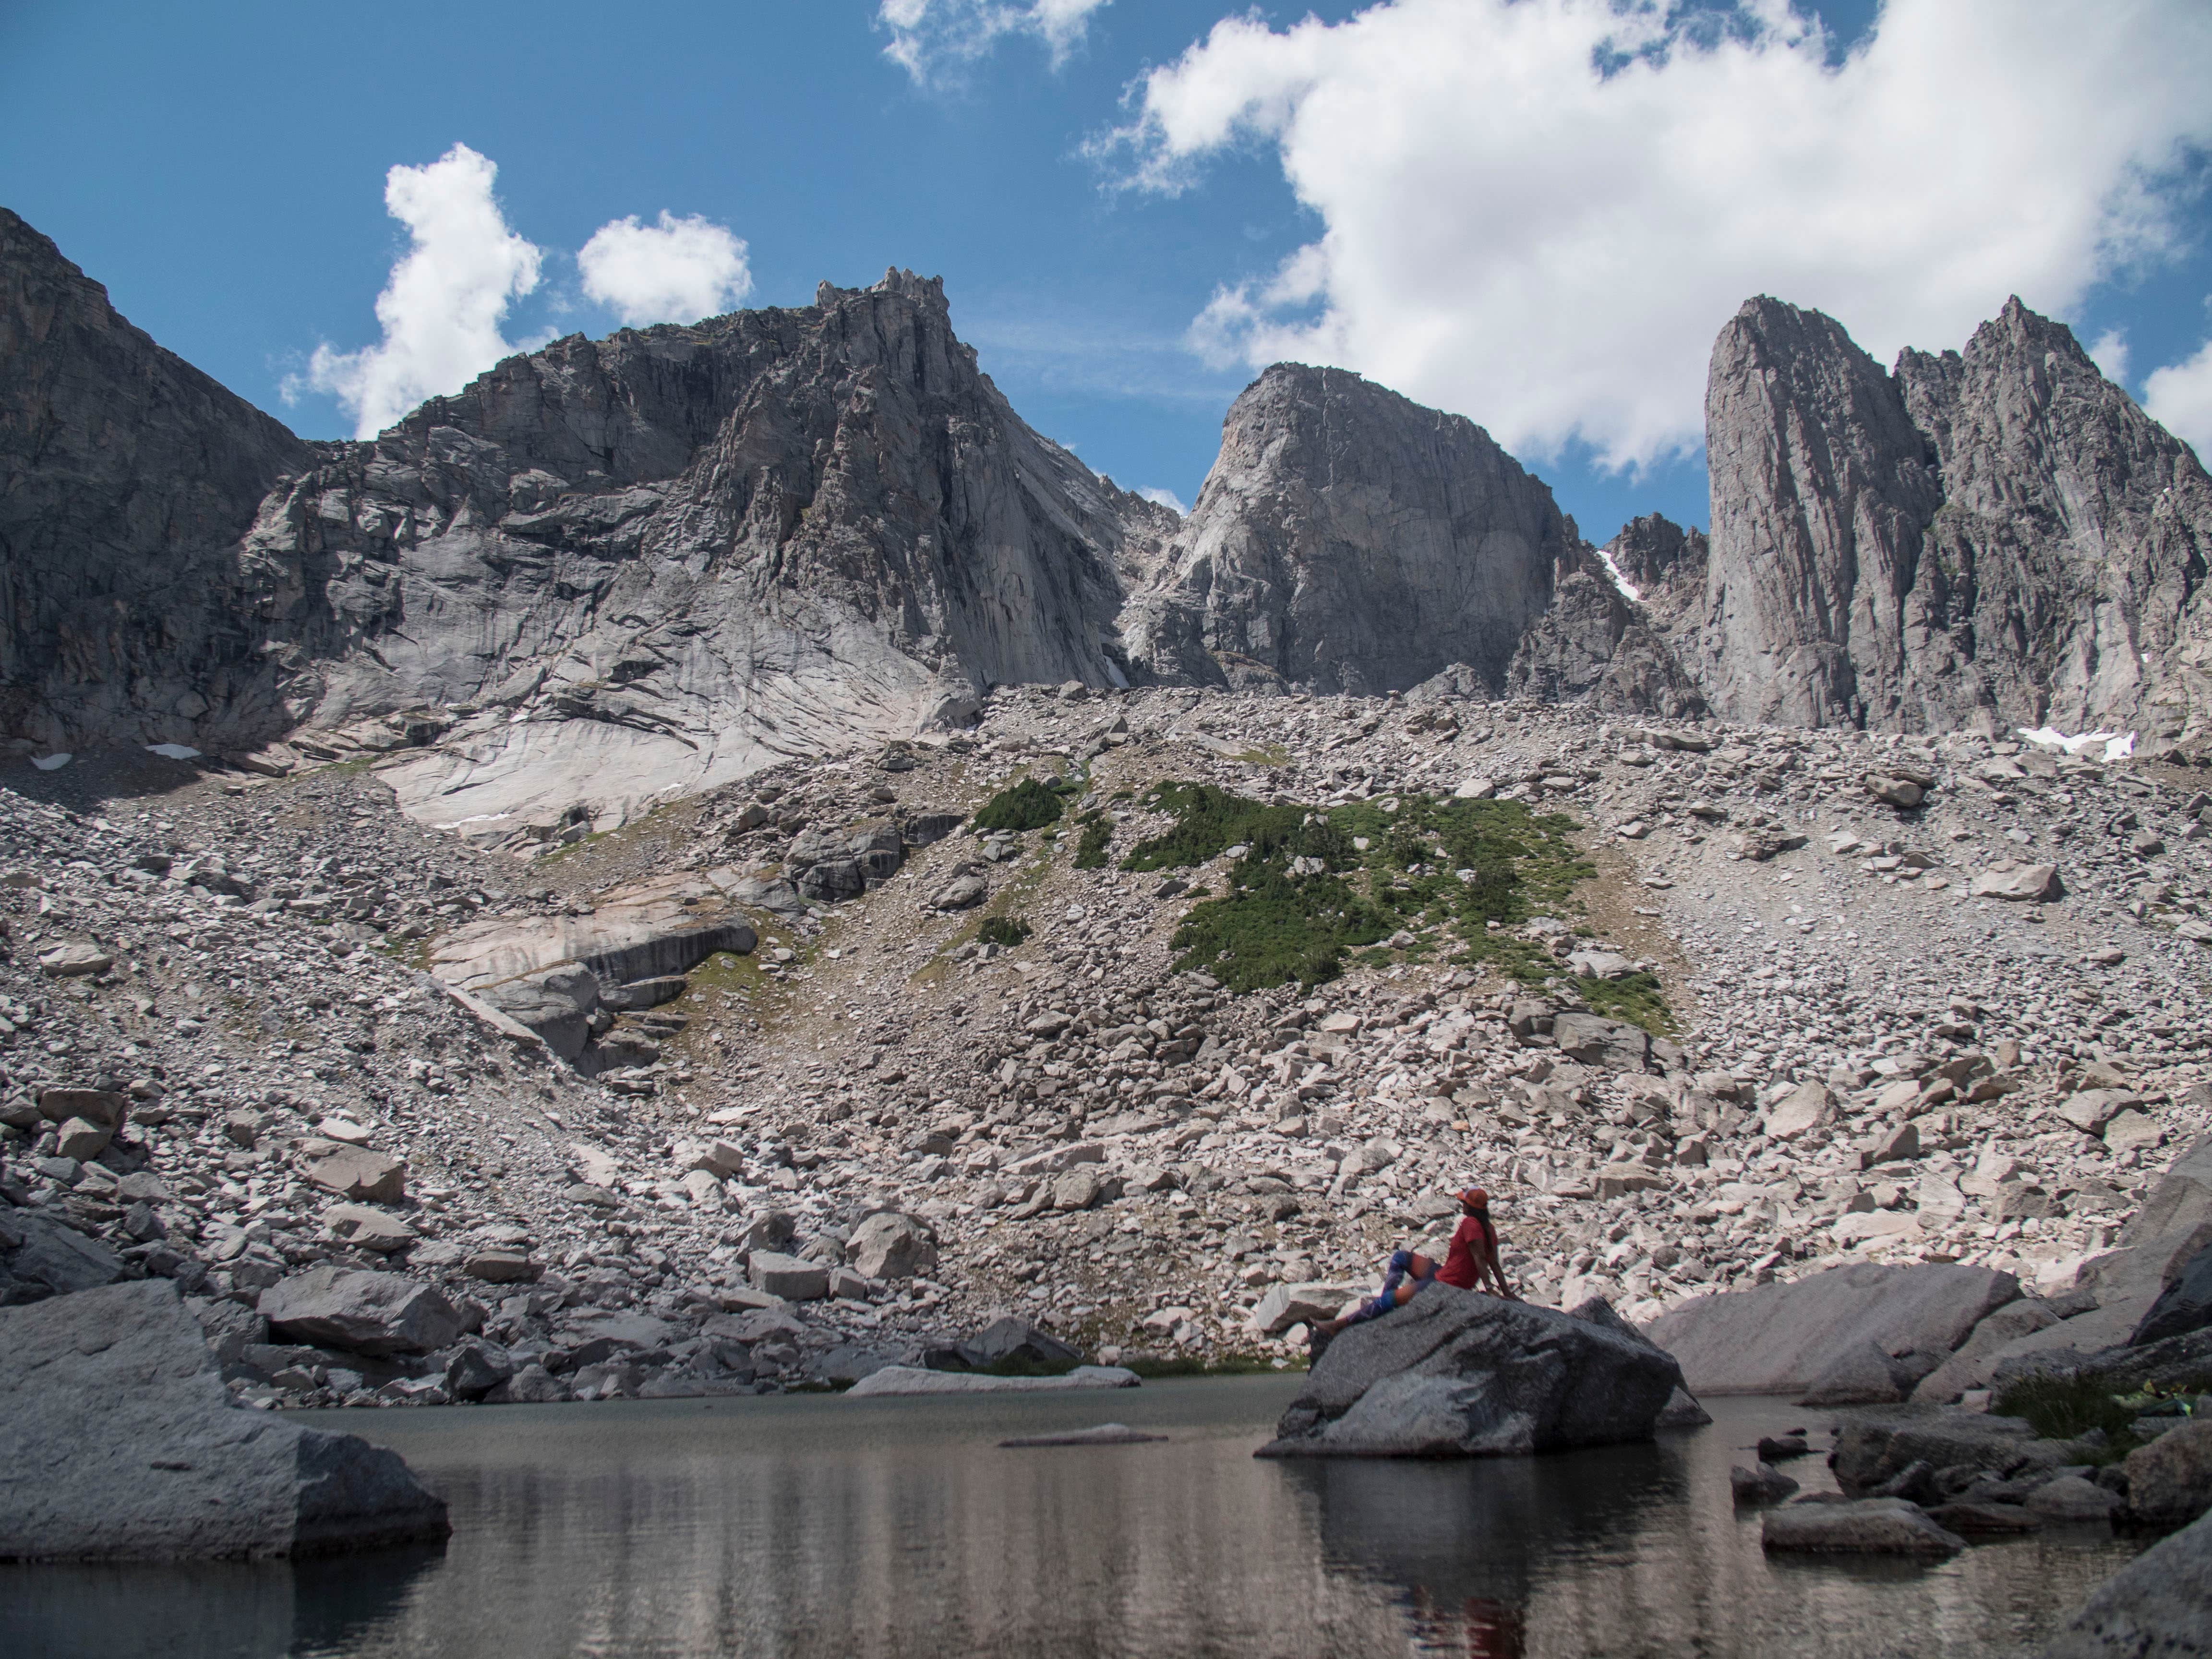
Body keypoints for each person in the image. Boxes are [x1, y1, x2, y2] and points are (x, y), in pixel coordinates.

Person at [1310, 1187, 1514, 1355]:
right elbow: (1494, 1263)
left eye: (1464, 1202)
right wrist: (1507, 1293)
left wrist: (1489, 1289)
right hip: (1444, 1274)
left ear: (1470, 1207)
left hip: (1446, 1285)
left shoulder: (1471, 1224)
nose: (1462, 1205)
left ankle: (1339, 1326)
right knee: (1401, 1257)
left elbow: (1480, 1259)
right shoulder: (1489, 1228)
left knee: (1393, 1295)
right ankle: (1385, 1308)